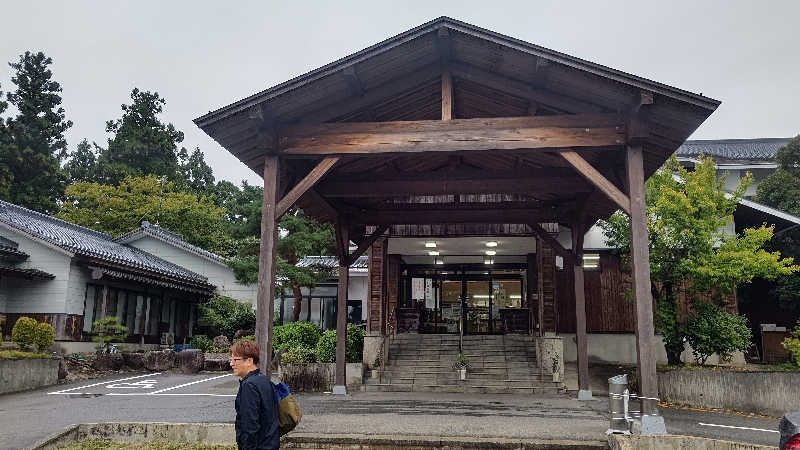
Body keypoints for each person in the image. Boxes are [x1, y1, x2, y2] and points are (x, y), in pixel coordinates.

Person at [230, 340, 280, 449]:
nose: (231, 363)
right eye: (231, 359)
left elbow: (249, 425)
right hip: (271, 444)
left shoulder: (249, 386)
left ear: (249, 361)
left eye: (235, 360)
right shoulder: (265, 381)